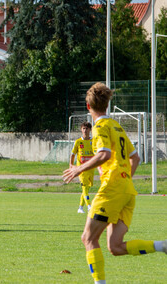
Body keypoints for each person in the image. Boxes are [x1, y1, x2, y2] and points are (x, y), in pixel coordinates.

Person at [63, 82, 166, 284]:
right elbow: (135, 158)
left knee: (88, 238)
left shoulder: (100, 127)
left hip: (112, 188)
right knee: (115, 247)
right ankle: (162, 246)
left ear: (88, 106)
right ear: (108, 105)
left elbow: (103, 154)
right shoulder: (117, 127)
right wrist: (125, 178)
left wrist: (78, 168)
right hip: (127, 190)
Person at [70, 122, 94, 213]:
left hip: (91, 169)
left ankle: (80, 208)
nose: (85, 130)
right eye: (83, 128)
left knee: (86, 189)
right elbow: (72, 154)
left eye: (87, 128)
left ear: (90, 130)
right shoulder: (78, 142)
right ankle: (89, 206)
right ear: (81, 130)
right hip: (81, 169)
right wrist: (71, 165)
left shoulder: (93, 141)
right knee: (84, 188)